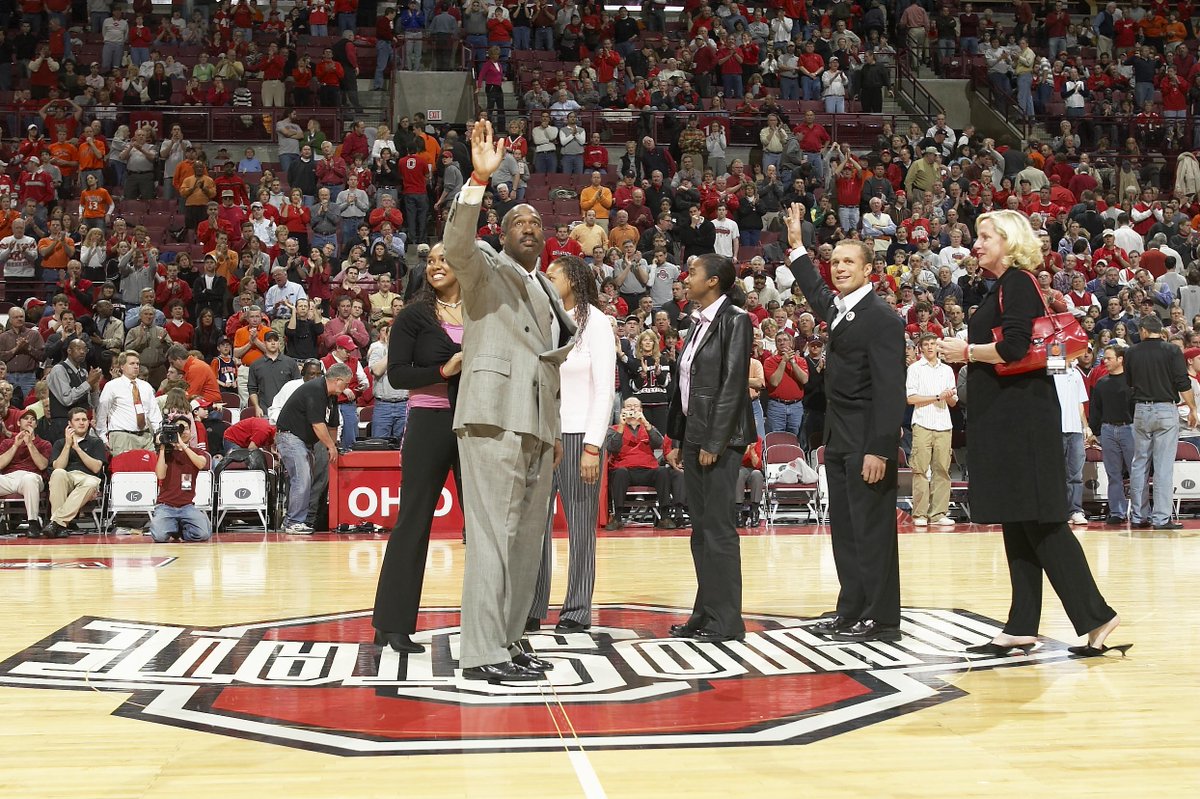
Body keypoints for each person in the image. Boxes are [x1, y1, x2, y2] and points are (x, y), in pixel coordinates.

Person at [937, 209, 1129, 657]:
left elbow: (1014, 348)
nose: (976, 243)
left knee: (1041, 523)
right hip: (1009, 421)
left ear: (1009, 241)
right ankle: (1022, 624)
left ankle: (1097, 615)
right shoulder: (1002, 287)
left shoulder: (1017, 283)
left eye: (986, 236)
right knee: (1019, 521)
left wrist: (965, 351)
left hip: (1021, 422)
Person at [442, 120, 576, 684]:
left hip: (538, 426)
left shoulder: (547, 285)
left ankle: (511, 635)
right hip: (493, 415)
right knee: (493, 535)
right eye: (518, 221)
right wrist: (478, 177)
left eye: (536, 223)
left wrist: (557, 432)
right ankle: (480, 651)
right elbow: (455, 243)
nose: (528, 227)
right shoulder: (482, 269)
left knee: (526, 543)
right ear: (500, 232)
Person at [786, 203, 906, 643]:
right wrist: (798, 248)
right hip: (838, 440)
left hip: (866, 443)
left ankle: (882, 618)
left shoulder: (882, 319)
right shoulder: (840, 308)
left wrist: (880, 448)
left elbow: (891, 391)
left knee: (872, 531)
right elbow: (817, 292)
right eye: (834, 261)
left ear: (869, 268)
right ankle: (851, 608)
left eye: (848, 262)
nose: (838, 268)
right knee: (846, 531)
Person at [372, 243, 464, 653]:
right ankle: (392, 624)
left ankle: (489, 623)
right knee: (413, 521)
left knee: (481, 529)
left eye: (444, 259)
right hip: (429, 420)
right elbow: (397, 375)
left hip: (476, 424)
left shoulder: (482, 311)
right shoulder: (413, 315)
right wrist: (444, 370)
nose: (436, 266)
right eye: (430, 261)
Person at [663, 253, 755, 643]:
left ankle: (727, 620)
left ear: (714, 281)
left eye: (695, 271)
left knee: (717, 530)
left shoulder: (736, 319)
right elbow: (689, 386)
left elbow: (733, 383)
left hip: (720, 440)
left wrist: (714, 441)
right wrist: (680, 438)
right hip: (695, 437)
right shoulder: (696, 323)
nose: (687, 276)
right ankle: (705, 612)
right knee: (700, 531)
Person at [529, 255, 616, 633]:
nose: (546, 279)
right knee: (534, 527)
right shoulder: (544, 319)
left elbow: (605, 389)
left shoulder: (595, 322)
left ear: (574, 280)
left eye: (552, 275)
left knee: (581, 528)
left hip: (581, 434)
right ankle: (532, 607)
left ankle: (577, 609)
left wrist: (594, 445)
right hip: (542, 432)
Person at [1124, 314, 1198, 529]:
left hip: (1140, 409)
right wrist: (1192, 408)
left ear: (1144, 331)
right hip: (1165, 408)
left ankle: (1138, 517)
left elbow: (1129, 382)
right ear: (1160, 332)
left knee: (1139, 464)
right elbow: (1182, 382)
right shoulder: (1172, 350)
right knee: (1163, 466)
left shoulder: (1131, 352)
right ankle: (1161, 518)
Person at [275, 363, 349, 534]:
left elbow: (332, 424)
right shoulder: (315, 389)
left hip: (303, 441)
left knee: (306, 479)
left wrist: (334, 445)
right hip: (290, 437)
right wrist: (330, 446)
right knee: (302, 479)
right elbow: (317, 424)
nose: (346, 388)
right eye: (346, 384)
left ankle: (293, 521)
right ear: (338, 381)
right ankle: (293, 522)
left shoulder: (331, 396)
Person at [604, 396, 679, 530]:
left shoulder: (648, 427)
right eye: (628, 406)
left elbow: (659, 444)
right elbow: (612, 448)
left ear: (641, 409)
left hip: (648, 469)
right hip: (625, 470)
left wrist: (645, 423)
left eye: (635, 406)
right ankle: (617, 518)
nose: (632, 408)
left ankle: (665, 517)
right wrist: (621, 426)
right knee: (620, 473)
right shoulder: (614, 428)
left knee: (663, 471)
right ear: (622, 410)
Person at [906, 333, 958, 527]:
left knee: (942, 469)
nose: (930, 347)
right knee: (920, 470)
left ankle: (938, 514)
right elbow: (911, 398)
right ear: (920, 348)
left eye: (933, 344)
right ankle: (919, 514)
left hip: (944, 424)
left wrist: (949, 396)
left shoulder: (947, 370)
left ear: (938, 347)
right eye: (926, 344)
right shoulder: (914, 369)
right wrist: (937, 396)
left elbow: (953, 402)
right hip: (922, 424)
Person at [44, 407, 109, 539]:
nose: (81, 423)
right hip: (67, 477)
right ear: (70, 424)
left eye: (84, 419)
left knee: (91, 483)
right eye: (77, 420)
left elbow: (96, 468)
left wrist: (78, 449)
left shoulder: (96, 442)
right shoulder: (59, 443)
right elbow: (58, 467)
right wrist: (68, 445)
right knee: (58, 474)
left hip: (87, 478)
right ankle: (61, 524)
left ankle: (56, 523)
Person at [1089, 342, 1135, 525]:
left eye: (1108, 358)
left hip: (1129, 429)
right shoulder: (1101, 383)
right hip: (1108, 430)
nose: (1104, 361)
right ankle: (1117, 511)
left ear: (1120, 359)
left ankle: (1141, 512)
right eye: (1103, 358)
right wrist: (1096, 431)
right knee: (1113, 473)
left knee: (1136, 473)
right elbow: (1095, 410)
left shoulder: (1132, 382)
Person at [149, 414, 212, 543]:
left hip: (187, 506)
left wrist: (182, 445)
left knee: (203, 534)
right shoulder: (166, 453)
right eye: (178, 428)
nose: (182, 431)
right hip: (166, 506)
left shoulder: (196, 452)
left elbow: (201, 464)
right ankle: (174, 527)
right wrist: (162, 448)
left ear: (191, 432)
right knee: (159, 537)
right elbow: (160, 475)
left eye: (186, 428)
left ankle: (179, 530)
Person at [95, 350, 163, 454]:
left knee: (150, 468)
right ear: (122, 366)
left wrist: (158, 432)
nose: (136, 366)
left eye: (137, 364)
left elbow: (154, 413)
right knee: (124, 469)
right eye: (132, 363)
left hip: (146, 437)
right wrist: (103, 437)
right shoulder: (112, 386)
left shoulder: (146, 387)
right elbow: (102, 413)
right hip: (122, 437)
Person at [0, 410, 52, 536]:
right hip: (10, 478)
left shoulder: (44, 444)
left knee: (29, 479)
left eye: (33, 419)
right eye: (25, 418)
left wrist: (29, 444)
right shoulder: (7, 443)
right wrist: (15, 445)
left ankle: (33, 524)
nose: (29, 420)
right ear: (18, 422)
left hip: (32, 477)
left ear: (36, 424)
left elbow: (42, 465)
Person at [1054, 359, 1092, 526]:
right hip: (1056, 429)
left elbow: (1080, 403)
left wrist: (1085, 426)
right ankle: (1057, 511)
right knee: (1055, 473)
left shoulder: (1076, 372)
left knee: (1075, 474)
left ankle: (1075, 510)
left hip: (1075, 430)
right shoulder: (1053, 369)